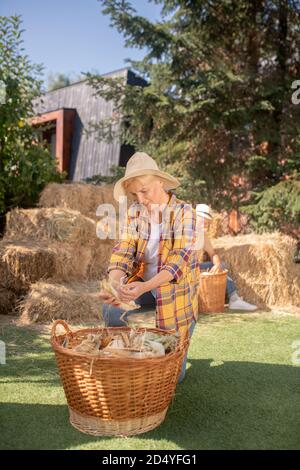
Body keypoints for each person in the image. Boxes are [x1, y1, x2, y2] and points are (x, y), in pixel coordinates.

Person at [99, 152, 202, 383]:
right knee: (110, 308)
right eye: (135, 193)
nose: (141, 198)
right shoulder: (135, 212)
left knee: (171, 377)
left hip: (176, 295)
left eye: (144, 191)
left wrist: (144, 286)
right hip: (144, 287)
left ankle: (168, 351)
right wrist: (116, 282)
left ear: (161, 183)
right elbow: (123, 249)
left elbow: (177, 262)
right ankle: (126, 352)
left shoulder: (185, 214)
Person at [196, 204, 257, 311]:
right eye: (202, 221)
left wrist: (217, 264)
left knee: (222, 265)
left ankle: (234, 299)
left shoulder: (203, 235)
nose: (203, 226)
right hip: (180, 268)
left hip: (195, 266)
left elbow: (213, 254)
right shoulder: (181, 232)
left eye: (206, 223)